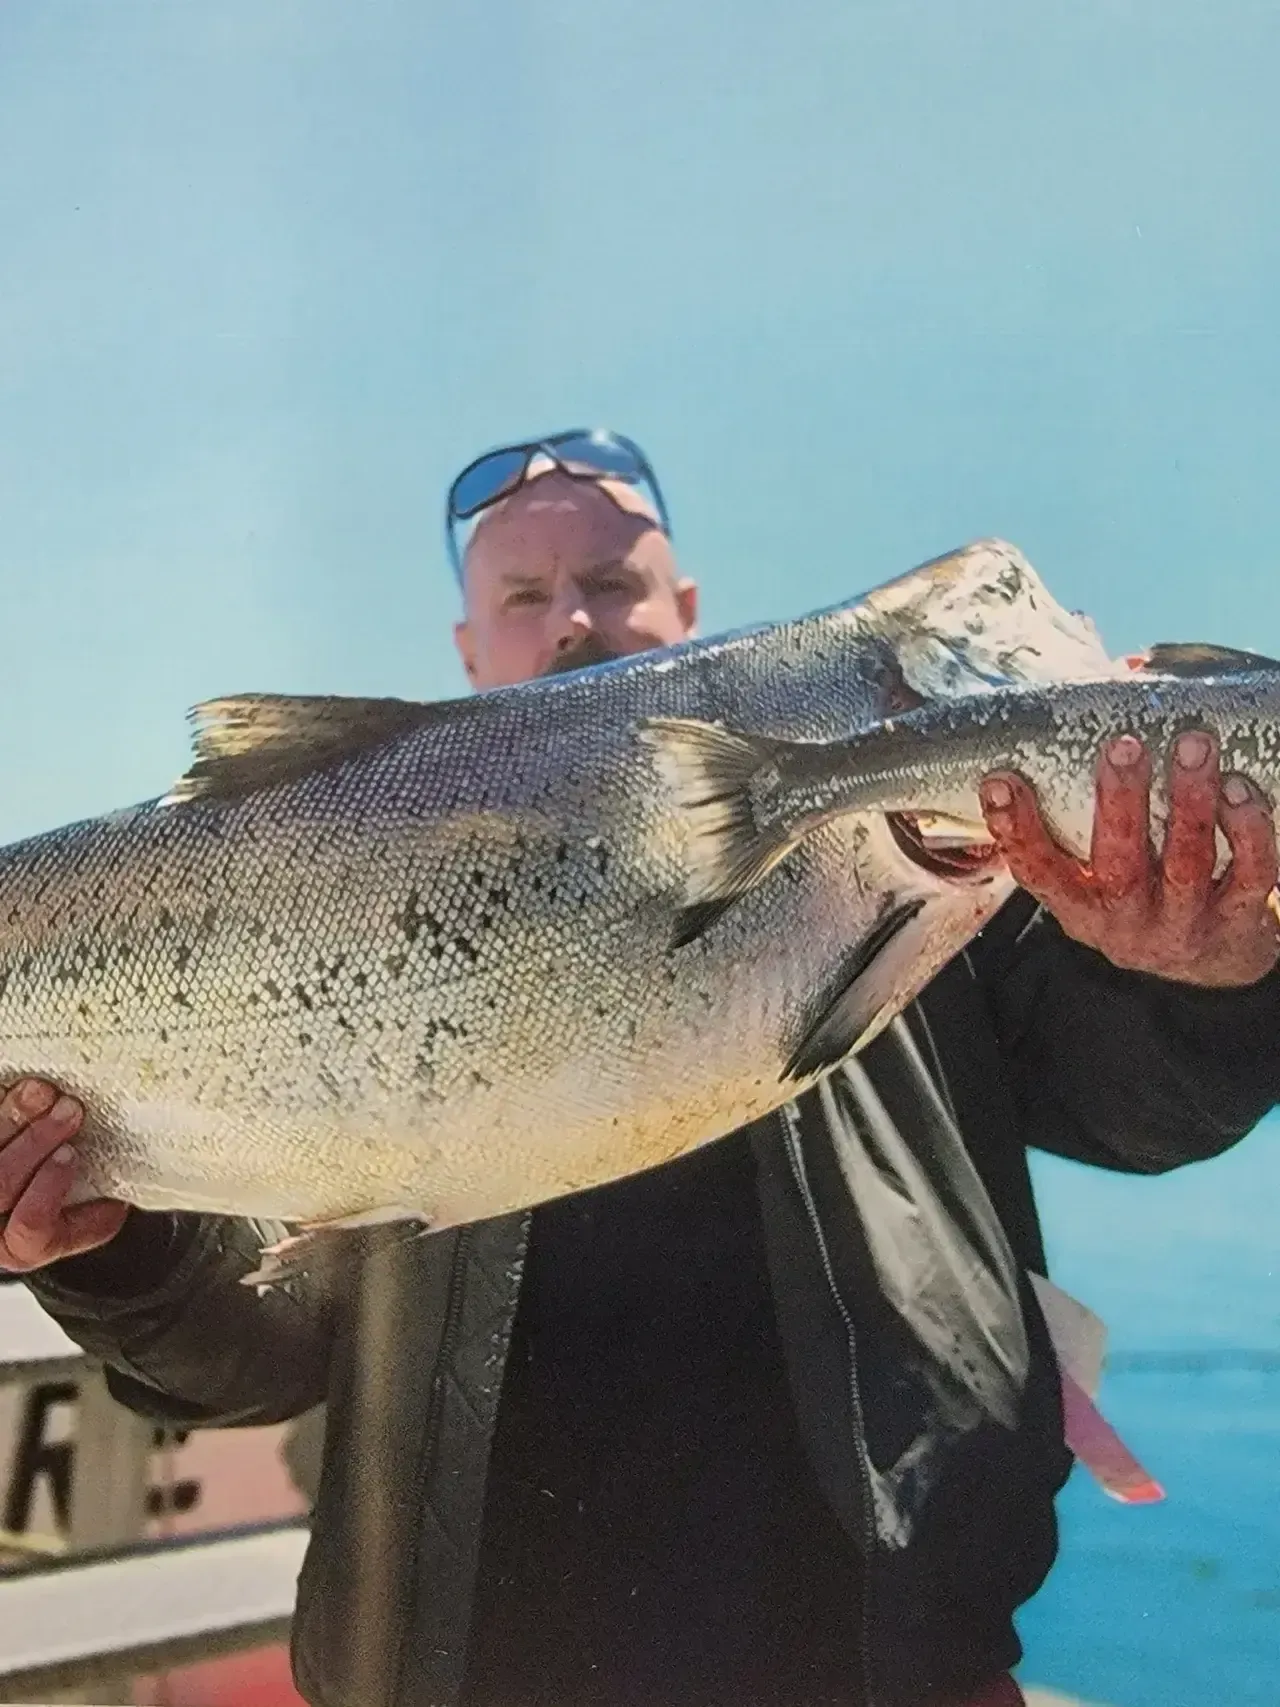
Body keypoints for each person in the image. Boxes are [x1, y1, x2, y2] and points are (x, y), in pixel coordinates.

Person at [5, 428, 1280, 1707]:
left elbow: (1139, 1107)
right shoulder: (300, 926)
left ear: (687, 615)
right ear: (468, 650)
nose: (572, 617)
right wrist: (102, 1246)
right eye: (523, 594)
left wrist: (1212, 975)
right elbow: (249, 1361)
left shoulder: (939, 873)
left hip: (892, 1674)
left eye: (612, 583)